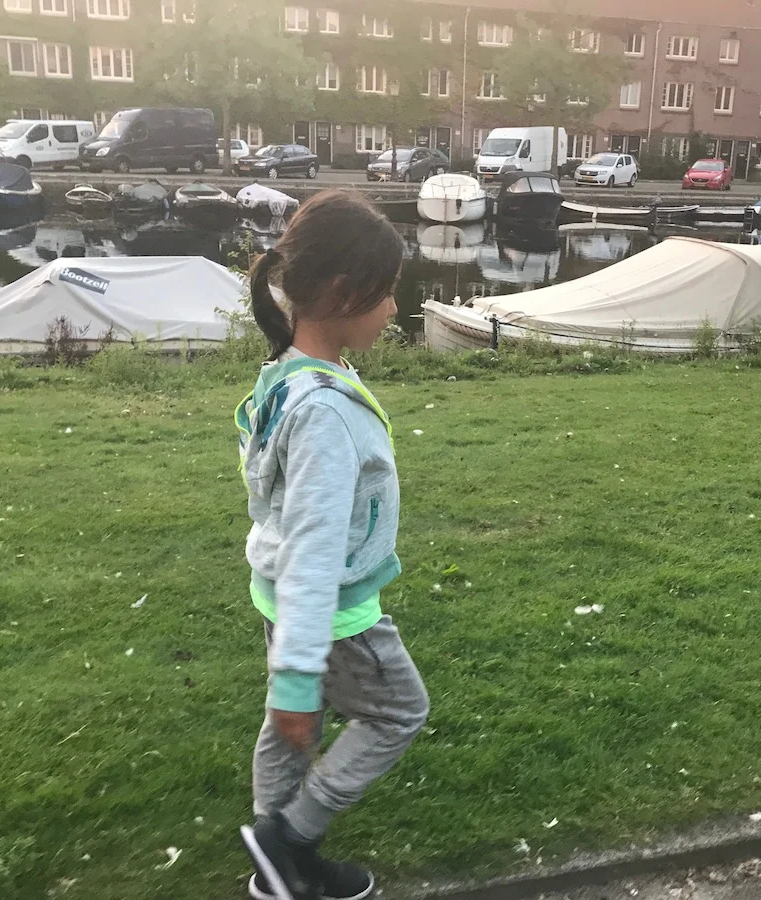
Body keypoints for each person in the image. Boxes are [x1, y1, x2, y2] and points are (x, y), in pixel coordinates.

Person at [235, 191, 429, 900]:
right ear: (346, 294)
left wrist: (293, 681)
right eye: (389, 293)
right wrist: (295, 675)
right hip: (333, 609)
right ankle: (290, 838)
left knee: (293, 725)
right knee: (398, 712)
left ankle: (275, 866)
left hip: (281, 597)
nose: (395, 309)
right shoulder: (322, 412)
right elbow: (316, 546)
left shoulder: (290, 375)